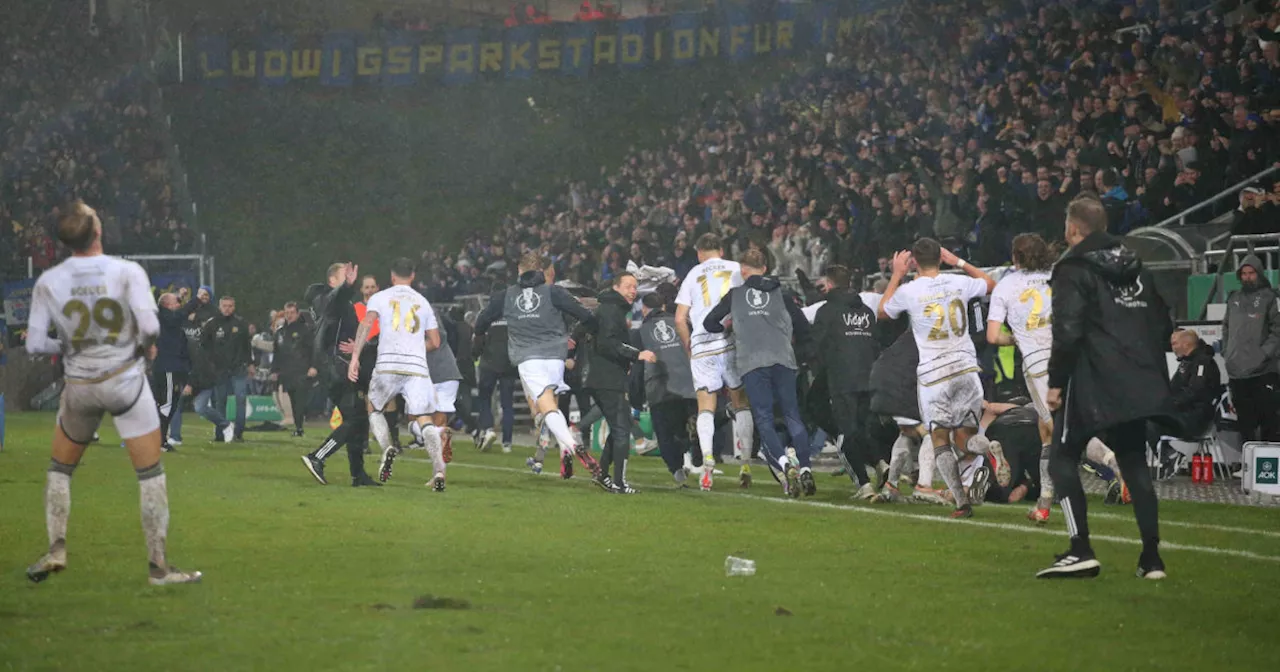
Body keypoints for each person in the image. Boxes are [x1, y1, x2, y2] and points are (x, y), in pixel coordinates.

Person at [23, 201, 200, 586]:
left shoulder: (48, 281)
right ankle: (158, 567)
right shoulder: (126, 271)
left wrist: (69, 348)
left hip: (80, 387)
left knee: (60, 470)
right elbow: (151, 326)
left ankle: (56, 548)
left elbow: (35, 343)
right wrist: (140, 346)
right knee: (150, 474)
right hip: (124, 381)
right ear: (97, 230)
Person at [1038, 196, 1176, 580]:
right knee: (1133, 463)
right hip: (1135, 377)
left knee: (1061, 459)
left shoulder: (1073, 266)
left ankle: (1080, 548)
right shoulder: (1136, 264)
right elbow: (1162, 321)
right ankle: (1152, 560)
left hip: (1091, 378)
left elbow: (1067, 330)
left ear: (1073, 229)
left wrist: (1055, 382)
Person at [878, 237, 1005, 519]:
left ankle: (961, 503)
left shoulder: (910, 290)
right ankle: (990, 449)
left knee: (939, 439)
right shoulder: (957, 282)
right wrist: (958, 262)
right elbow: (991, 284)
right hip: (966, 369)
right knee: (965, 438)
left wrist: (897, 273)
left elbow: (883, 311)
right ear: (941, 258)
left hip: (935, 376)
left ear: (914, 263)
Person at [474, 252, 599, 481]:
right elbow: (586, 316)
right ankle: (562, 449)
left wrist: (479, 339)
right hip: (555, 357)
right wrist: (576, 336)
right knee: (549, 404)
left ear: (519, 271)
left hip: (528, 357)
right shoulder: (554, 292)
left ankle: (572, 445)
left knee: (543, 406)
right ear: (542, 272)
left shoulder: (506, 296)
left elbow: (481, 321)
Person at [704, 249, 813, 497]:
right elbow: (804, 329)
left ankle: (785, 466)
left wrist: (729, 327)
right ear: (764, 269)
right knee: (792, 415)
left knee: (763, 419)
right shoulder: (783, 294)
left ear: (743, 271)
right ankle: (805, 467)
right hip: (784, 361)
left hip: (752, 363)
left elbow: (709, 323)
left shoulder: (734, 295)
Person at [352, 259, 446, 490]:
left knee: (374, 408)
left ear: (392, 276)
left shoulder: (380, 297)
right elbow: (435, 341)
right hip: (416, 367)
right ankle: (439, 470)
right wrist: (413, 348)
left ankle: (386, 448)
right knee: (424, 418)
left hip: (388, 363)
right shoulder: (423, 303)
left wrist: (355, 357)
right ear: (412, 276)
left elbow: (366, 323)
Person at [986, 233, 1058, 522]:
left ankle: (1050, 506)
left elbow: (993, 335)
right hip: (1071, 357)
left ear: (1015, 256)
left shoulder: (1006, 285)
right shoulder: (1058, 275)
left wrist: (1015, 338)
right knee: (1047, 429)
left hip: (1039, 364)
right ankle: (1044, 502)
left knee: (1055, 430)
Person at [674, 233, 755, 491]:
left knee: (705, 406)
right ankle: (745, 463)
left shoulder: (692, 274)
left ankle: (707, 460)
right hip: (730, 340)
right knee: (741, 402)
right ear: (721, 250)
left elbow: (679, 318)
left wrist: (689, 346)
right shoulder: (736, 269)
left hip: (702, 343)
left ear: (699, 253)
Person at [300, 262, 380, 487]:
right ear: (333, 281)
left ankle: (358, 474)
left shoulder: (338, 302)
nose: (350, 279)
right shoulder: (327, 298)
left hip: (338, 365)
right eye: (345, 276)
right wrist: (346, 286)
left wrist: (359, 344)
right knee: (355, 418)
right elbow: (333, 299)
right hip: (335, 367)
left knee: (358, 419)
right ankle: (318, 457)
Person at [812, 265, 882, 500]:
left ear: (829, 284)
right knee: (862, 429)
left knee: (846, 432)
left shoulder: (827, 311)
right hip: (868, 377)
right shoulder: (867, 312)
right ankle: (882, 465)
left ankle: (864, 484)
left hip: (842, 379)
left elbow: (818, 348)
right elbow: (875, 344)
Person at [585, 272, 656, 494]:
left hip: (603, 377)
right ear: (616, 288)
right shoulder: (611, 311)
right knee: (622, 429)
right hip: (608, 378)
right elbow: (609, 344)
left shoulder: (608, 309)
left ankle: (604, 474)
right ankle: (619, 482)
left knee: (619, 428)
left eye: (635, 287)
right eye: (628, 286)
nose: (633, 290)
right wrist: (637, 354)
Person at [637, 291, 699, 486]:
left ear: (644, 309)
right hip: (687, 384)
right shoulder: (681, 322)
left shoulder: (642, 331)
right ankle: (689, 447)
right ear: (663, 307)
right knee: (686, 427)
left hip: (659, 387)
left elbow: (639, 363)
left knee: (664, 433)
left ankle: (677, 470)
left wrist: (636, 393)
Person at [1222, 254, 1280, 443]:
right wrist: (1227, 352)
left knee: (1268, 420)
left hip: (1263, 371)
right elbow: (1226, 327)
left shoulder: (1270, 298)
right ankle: (1246, 465)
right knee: (1244, 422)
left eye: (1251, 273)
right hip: (1237, 371)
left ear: (1259, 274)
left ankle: (1269, 467)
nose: (1247, 277)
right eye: (1244, 273)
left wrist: (1263, 355)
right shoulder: (1233, 298)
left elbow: (1277, 331)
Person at [1150, 329, 1223, 478]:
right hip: (1183, 413)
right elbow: (1172, 389)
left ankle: (1169, 458)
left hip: (1197, 418)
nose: (1173, 347)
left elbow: (1195, 393)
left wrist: (1168, 406)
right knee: (1146, 417)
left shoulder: (1203, 362)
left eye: (1175, 343)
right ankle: (1169, 458)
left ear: (1187, 343)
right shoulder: (1186, 362)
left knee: (1151, 422)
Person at [200, 296, 253, 441]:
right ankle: (220, 434)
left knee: (241, 399)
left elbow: (246, 346)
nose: (227, 308)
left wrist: (250, 363)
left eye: (230, 306)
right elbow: (204, 346)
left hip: (238, 367)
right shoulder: (212, 324)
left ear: (234, 307)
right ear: (220, 307)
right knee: (220, 401)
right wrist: (209, 364)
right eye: (225, 306)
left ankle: (238, 433)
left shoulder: (241, 323)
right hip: (219, 369)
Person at [153, 288, 199, 452]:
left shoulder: (169, 320)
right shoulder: (162, 316)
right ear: (167, 305)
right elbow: (176, 317)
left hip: (171, 367)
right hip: (167, 367)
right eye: (175, 302)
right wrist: (196, 300)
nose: (179, 306)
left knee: (167, 404)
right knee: (166, 404)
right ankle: (159, 441)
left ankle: (159, 439)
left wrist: (180, 297)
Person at [473, 300, 517, 455]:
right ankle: (507, 443)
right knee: (507, 404)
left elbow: (478, 339)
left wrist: (475, 354)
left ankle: (488, 429)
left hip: (489, 364)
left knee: (484, 398)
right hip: (509, 365)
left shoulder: (486, 315)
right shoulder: (514, 317)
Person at [271, 302, 317, 438]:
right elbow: (277, 353)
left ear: (297, 314)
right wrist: (274, 370)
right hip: (287, 371)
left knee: (300, 399)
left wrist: (314, 366)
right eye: (287, 313)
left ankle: (299, 427)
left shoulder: (306, 330)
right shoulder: (280, 332)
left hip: (302, 370)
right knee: (293, 399)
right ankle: (298, 427)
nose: (289, 316)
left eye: (292, 313)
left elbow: (314, 350)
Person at [424, 305, 463, 465]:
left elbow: (434, 343)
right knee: (437, 419)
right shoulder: (433, 316)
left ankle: (438, 468)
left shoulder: (422, 314)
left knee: (423, 420)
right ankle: (443, 435)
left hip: (437, 374)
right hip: (448, 372)